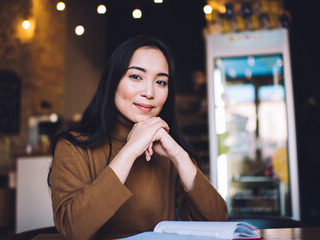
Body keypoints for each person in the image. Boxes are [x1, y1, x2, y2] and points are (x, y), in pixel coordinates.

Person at [48, 36, 228, 240]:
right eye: (136, 77)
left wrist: (179, 156)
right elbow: (74, 230)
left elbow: (218, 224)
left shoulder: (166, 150)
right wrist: (130, 150)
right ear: (113, 80)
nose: (149, 92)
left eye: (161, 82)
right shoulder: (73, 147)